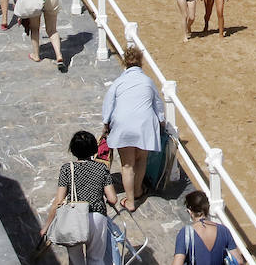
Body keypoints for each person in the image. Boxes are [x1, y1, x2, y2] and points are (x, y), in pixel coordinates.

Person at [101, 46, 165, 212]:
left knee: (127, 165)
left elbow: (108, 105)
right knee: (141, 159)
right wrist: (162, 123)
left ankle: (130, 201)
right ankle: (137, 191)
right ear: (140, 62)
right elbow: (158, 105)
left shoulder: (119, 82)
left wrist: (106, 124)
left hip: (123, 125)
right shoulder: (148, 81)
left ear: (125, 63)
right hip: (144, 125)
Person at [40, 130, 118, 265]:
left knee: (76, 261)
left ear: (73, 149)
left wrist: (46, 226)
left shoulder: (66, 169)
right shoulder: (102, 168)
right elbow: (112, 199)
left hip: (73, 218)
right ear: (94, 148)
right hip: (97, 217)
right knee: (96, 259)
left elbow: (58, 201)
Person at [173, 190, 240, 265]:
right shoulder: (223, 230)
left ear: (189, 211)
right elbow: (239, 261)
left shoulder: (185, 233)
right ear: (207, 208)